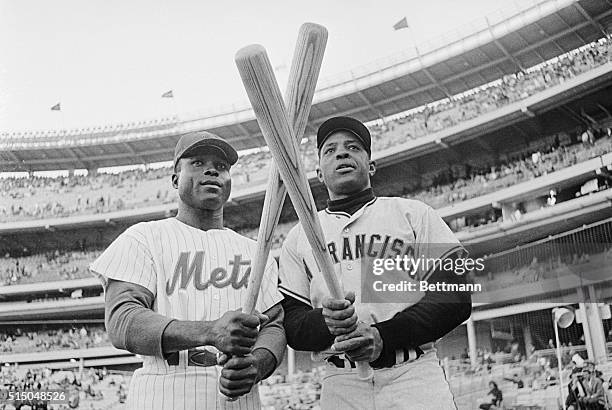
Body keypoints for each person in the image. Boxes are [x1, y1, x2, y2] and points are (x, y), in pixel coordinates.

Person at [279, 116, 472, 409]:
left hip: (412, 376)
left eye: (353, 147)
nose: (342, 153)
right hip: (340, 383)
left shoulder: (413, 214)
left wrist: (383, 337)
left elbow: (455, 296)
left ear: (371, 165)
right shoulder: (299, 236)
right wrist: (326, 322)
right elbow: (292, 323)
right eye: (330, 150)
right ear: (319, 172)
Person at [90, 132, 285, 409]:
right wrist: (208, 332)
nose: (211, 170)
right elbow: (123, 320)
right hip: (164, 389)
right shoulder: (143, 237)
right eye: (197, 162)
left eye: (221, 167)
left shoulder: (257, 250)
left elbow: (274, 326)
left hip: (239, 397)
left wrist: (257, 365)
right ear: (174, 179)